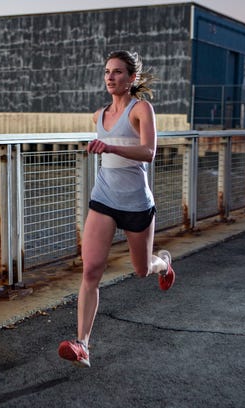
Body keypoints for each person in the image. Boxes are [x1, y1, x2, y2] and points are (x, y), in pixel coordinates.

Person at [58, 51, 175, 368]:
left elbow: (149, 152)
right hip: (103, 199)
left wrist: (109, 146)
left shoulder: (141, 110)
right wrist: (103, 144)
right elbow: (103, 139)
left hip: (136, 203)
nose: (111, 77)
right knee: (91, 271)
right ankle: (82, 343)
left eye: (118, 72)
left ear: (132, 78)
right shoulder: (99, 115)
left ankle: (163, 263)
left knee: (141, 270)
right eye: (107, 72)